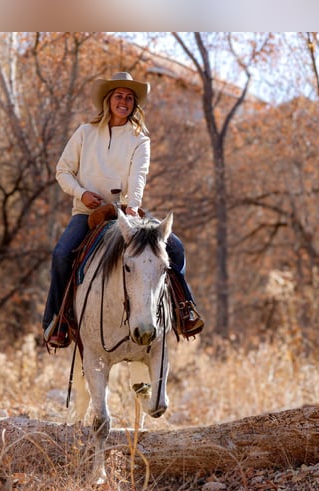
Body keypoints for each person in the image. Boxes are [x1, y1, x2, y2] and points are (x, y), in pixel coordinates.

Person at [42, 71, 203, 348]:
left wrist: (134, 207)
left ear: (134, 104)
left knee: (174, 247)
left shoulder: (140, 138)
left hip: (127, 212)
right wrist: (82, 193)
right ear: (108, 100)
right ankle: (57, 321)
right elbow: (63, 171)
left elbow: (139, 175)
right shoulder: (85, 133)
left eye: (129, 98)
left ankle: (184, 309)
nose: (124, 101)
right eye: (119, 95)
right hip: (87, 213)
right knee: (60, 255)